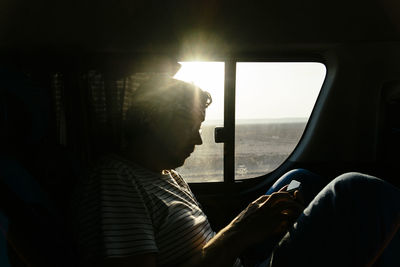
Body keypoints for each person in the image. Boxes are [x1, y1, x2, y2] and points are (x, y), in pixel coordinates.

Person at [71, 75, 400, 267]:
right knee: (355, 191)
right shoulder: (113, 178)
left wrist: (252, 223)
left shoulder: (166, 174)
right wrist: (241, 231)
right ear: (152, 121)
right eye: (190, 126)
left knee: (300, 181)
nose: (198, 139)